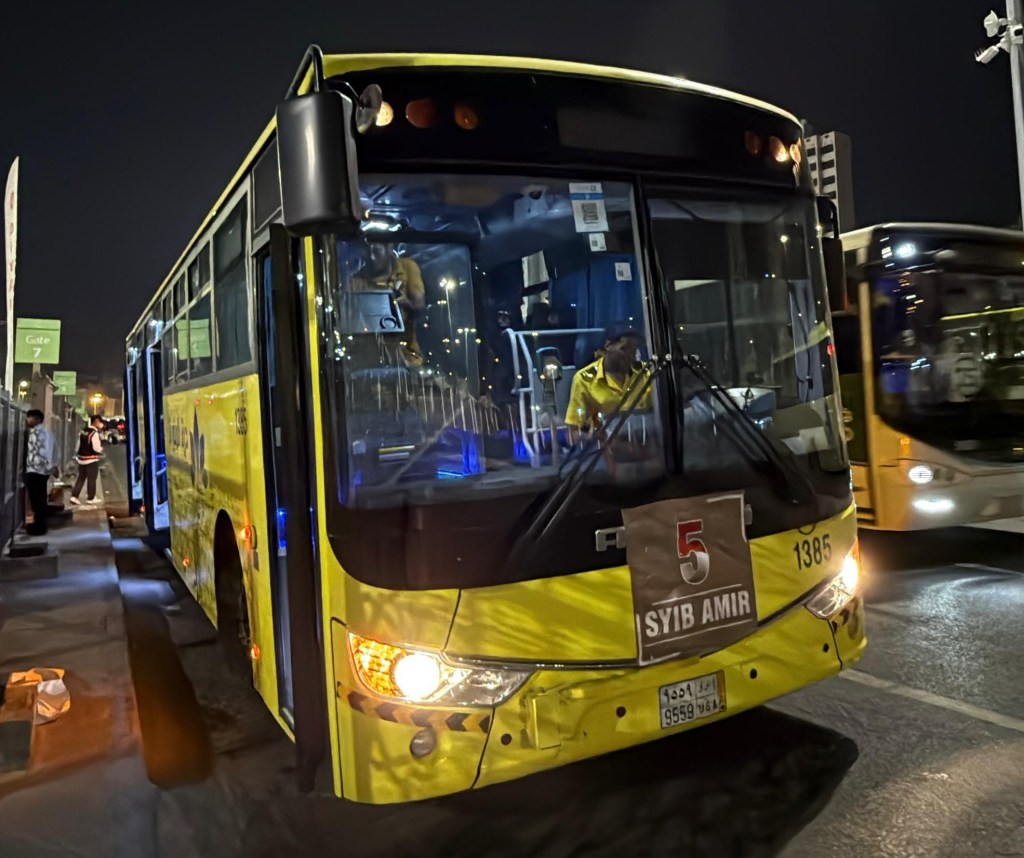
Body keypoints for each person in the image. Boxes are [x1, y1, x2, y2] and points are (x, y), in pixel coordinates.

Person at [349, 242, 426, 367]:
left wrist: (406, 305)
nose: (372, 257)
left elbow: (420, 308)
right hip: (368, 361)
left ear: (389, 248)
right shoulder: (356, 283)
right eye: (368, 253)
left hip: (406, 358)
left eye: (377, 252)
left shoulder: (407, 268)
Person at [565, 323, 653, 431]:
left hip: (644, 438)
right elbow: (574, 427)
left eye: (634, 350)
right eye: (624, 349)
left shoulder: (646, 373)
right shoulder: (584, 380)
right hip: (605, 440)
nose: (630, 356)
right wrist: (591, 435)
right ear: (608, 346)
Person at [24, 409, 56, 535]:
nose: (27, 420)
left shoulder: (35, 433)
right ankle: (41, 525)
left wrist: (44, 463)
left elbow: (43, 452)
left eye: (29, 418)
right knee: (41, 498)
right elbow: (54, 451)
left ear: (36, 419)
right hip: (43, 472)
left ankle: (38, 527)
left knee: (36, 500)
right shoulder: (47, 433)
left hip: (34, 470)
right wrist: (51, 466)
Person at [70, 415, 105, 506]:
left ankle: (74, 496)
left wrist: (77, 455)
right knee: (92, 479)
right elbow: (96, 448)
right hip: (91, 460)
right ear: (96, 421)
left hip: (82, 459)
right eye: (101, 422)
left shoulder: (83, 431)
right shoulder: (94, 433)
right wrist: (101, 450)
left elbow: (78, 444)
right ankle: (91, 498)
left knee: (81, 478)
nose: (101, 424)